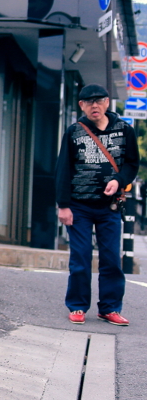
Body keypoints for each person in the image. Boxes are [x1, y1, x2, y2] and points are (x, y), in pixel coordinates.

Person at [56, 84, 138, 326]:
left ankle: (110, 308)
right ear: (81, 105)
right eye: (89, 102)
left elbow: (132, 164)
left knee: (111, 259)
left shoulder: (124, 130)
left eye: (99, 100)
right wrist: (63, 205)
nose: (95, 105)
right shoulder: (74, 132)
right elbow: (63, 169)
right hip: (79, 206)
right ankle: (78, 306)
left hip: (109, 207)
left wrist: (118, 180)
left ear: (107, 102)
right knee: (80, 258)